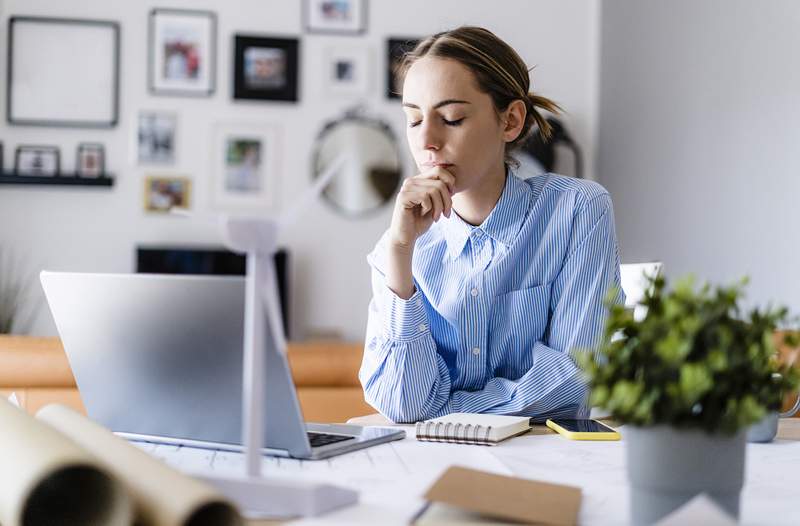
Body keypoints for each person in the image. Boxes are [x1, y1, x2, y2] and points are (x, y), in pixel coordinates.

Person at [359, 26, 625, 423]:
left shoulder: (577, 212)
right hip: (430, 461)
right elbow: (403, 405)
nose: (427, 140)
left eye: (451, 118)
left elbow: (574, 383)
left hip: (542, 463)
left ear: (511, 121)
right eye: (414, 120)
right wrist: (399, 255)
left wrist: (443, 407)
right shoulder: (399, 248)